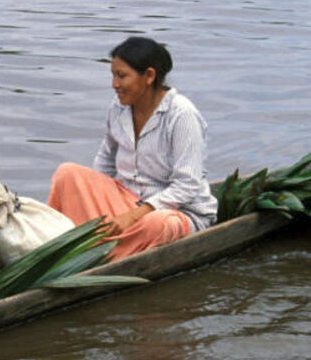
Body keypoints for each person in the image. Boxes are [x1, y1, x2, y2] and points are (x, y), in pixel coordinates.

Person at [47, 36, 217, 259]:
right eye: (113, 76)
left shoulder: (181, 115)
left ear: (149, 76)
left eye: (121, 76)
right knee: (67, 173)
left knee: (157, 224)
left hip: (175, 211)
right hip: (128, 200)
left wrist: (134, 216)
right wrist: (92, 195)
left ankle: (100, 256)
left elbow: (187, 185)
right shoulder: (118, 108)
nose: (114, 85)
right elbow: (105, 162)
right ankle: (63, 243)